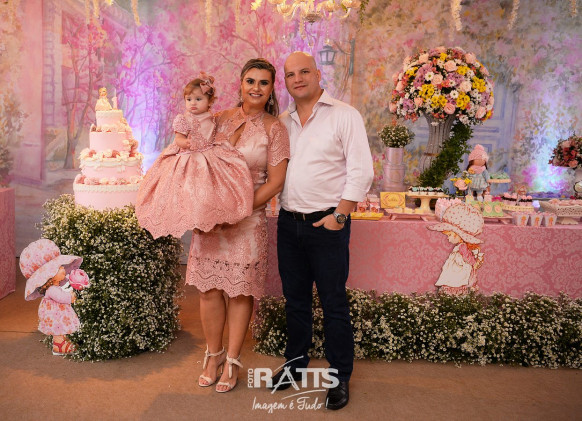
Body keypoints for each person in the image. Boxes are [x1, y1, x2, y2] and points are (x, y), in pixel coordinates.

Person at [177, 59, 290, 393]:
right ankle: (213, 355)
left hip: (248, 219)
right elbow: (195, 157)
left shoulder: (275, 129)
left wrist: (238, 209)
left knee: (240, 291)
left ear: (271, 89)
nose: (256, 88)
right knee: (209, 289)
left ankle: (233, 360)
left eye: (263, 83)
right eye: (250, 81)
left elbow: (276, 181)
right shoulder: (218, 118)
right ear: (241, 83)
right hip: (212, 218)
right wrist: (202, 206)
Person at [272, 51, 374, 410]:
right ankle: (295, 363)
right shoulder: (281, 122)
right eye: (290, 75)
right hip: (288, 224)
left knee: (333, 303)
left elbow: (361, 170)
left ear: (317, 74)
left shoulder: (344, 115)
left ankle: (339, 376)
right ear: (285, 82)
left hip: (327, 225)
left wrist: (340, 216)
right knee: (295, 301)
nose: (297, 79)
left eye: (304, 72)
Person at [136, 73, 254, 238]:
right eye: (189, 99)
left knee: (213, 188)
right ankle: (193, 218)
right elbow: (178, 138)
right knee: (191, 190)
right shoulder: (184, 119)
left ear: (209, 102)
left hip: (208, 154)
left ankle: (212, 216)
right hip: (190, 157)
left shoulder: (212, 117)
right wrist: (184, 142)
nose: (193, 103)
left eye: (198, 99)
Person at [20, 239, 86, 356]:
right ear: (50, 276)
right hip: (55, 315)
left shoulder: (54, 286)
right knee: (58, 328)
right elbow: (61, 297)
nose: (63, 269)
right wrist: (70, 297)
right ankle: (59, 346)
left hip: (58, 312)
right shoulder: (51, 290)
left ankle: (61, 342)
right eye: (58, 268)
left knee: (60, 328)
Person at [428, 203, 484, 295]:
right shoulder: (460, 246)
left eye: (450, 235)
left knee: (455, 281)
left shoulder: (462, 247)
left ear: (459, 235)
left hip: (458, 270)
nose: (448, 238)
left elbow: (467, 258)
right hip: (456, 268)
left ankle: (454, 294)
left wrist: (474, 263)